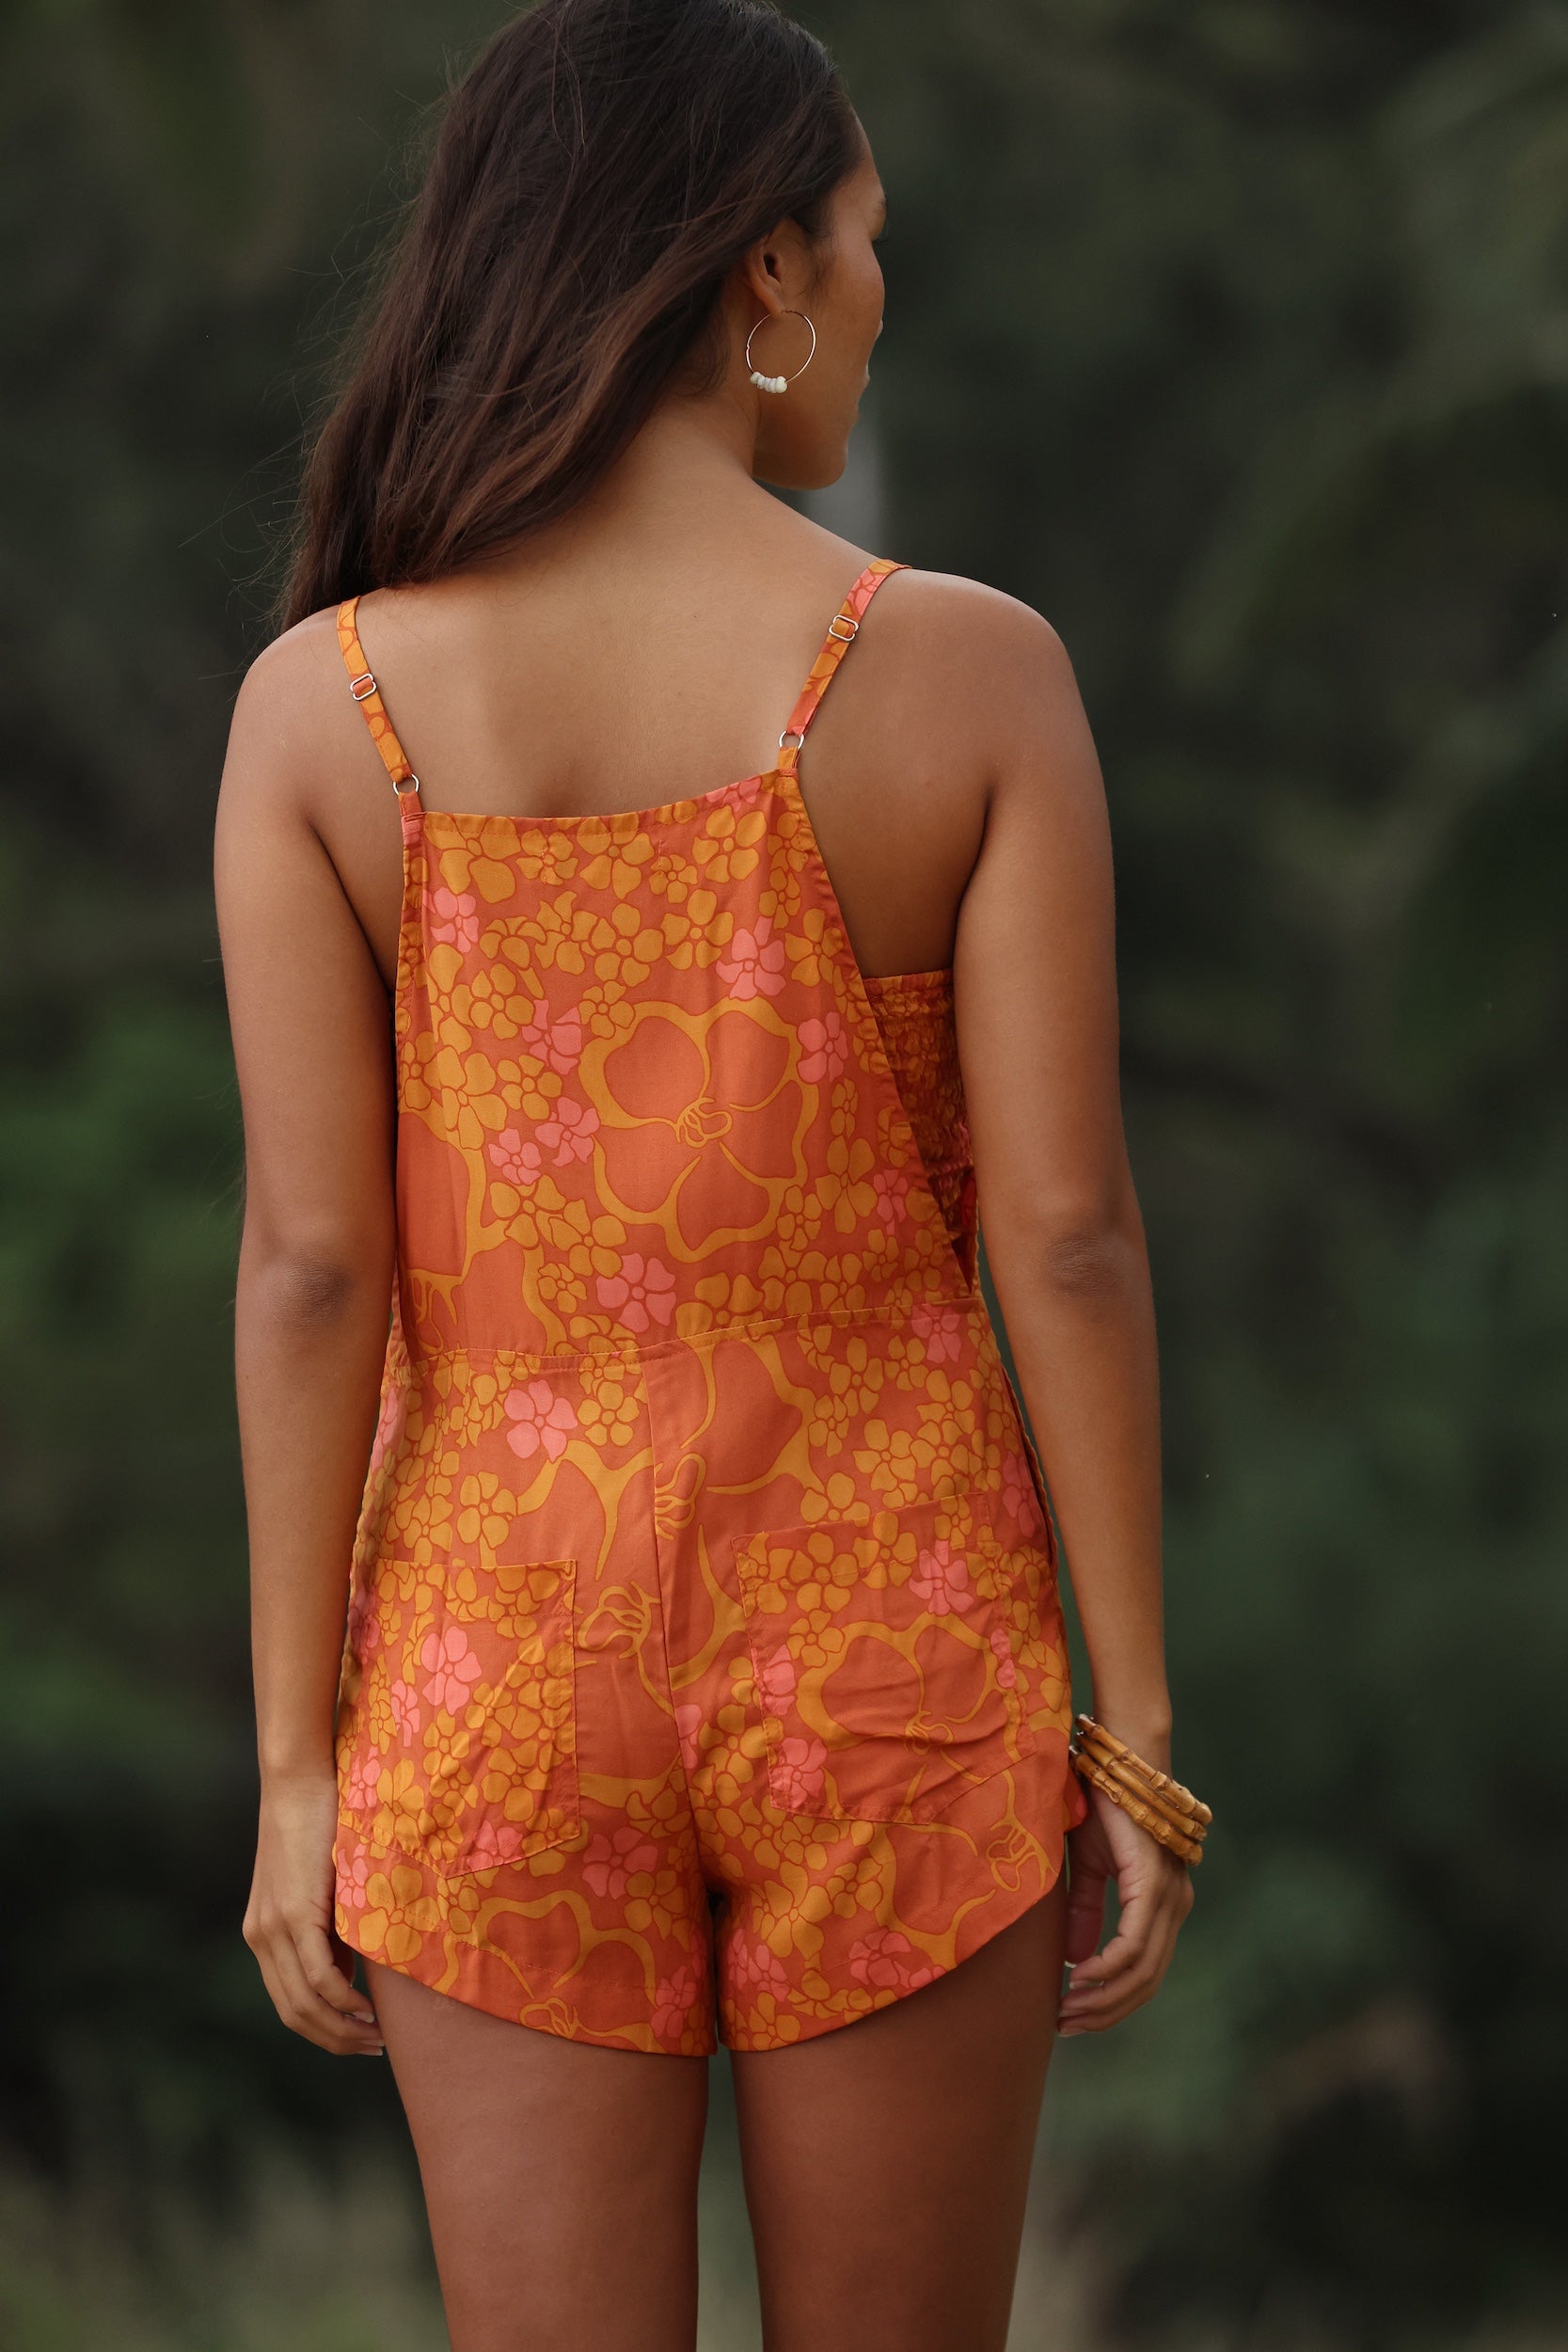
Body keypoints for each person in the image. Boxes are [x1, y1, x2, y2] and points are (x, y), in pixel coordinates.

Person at [214, 2, 1196, 2344]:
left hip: (486, 1670)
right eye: (863, 249)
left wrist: (291, 1763)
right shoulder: (968, 679)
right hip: (895, 1662)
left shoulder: (328, 709)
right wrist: (1137, 1728)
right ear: (757, 276)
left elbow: (307, 1269)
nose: (876, 297)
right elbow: (1062, 1230)